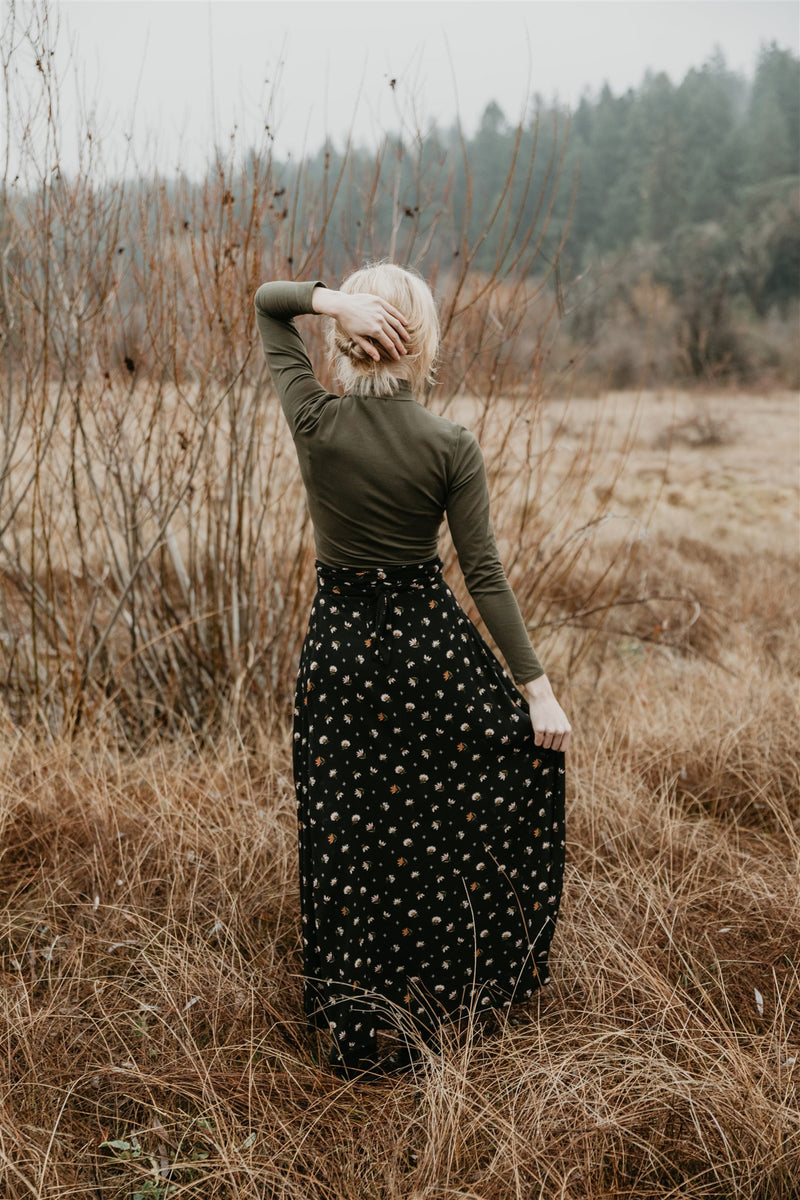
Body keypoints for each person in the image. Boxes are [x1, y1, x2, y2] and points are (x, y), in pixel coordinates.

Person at [254, 262, 569, 1082]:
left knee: (349, 835)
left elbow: (267, 307)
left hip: (345, 659)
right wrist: (537, 693)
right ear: (422, 340)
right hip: (432, 655)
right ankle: (440, 1009)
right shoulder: (448, 444)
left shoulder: (314, 418)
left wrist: (328, 301)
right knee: (439, 826)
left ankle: (357, 1032)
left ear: (347, 335)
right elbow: (486, 577)